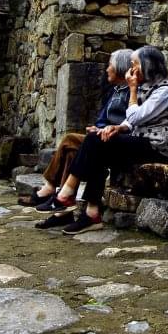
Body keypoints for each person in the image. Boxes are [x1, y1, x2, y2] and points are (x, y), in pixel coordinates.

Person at [57, 45, 168, 235]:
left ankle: (66, 193)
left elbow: (137, 116)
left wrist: (132, 90)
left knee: (94, 142)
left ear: (147, 66)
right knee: (97, 144)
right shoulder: (148, 87)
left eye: (135, 64)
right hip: (140, 142)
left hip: (156, 147)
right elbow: (130, 122)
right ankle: (91, 213)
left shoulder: (165, 91)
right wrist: (116, 128)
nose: (131, 70)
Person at [25, 49, 132, 229]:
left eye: (110, 65)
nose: (107, 69)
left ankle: (53, 191)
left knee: (69, 140)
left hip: (115, 140)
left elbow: (131, 121)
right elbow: (102, 118)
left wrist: (105, 130)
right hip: (102, 136)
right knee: (72, 150)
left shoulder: (131, 93)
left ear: (121, 68)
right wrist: (98, 128)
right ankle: (62, 210)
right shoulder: (115, 91)